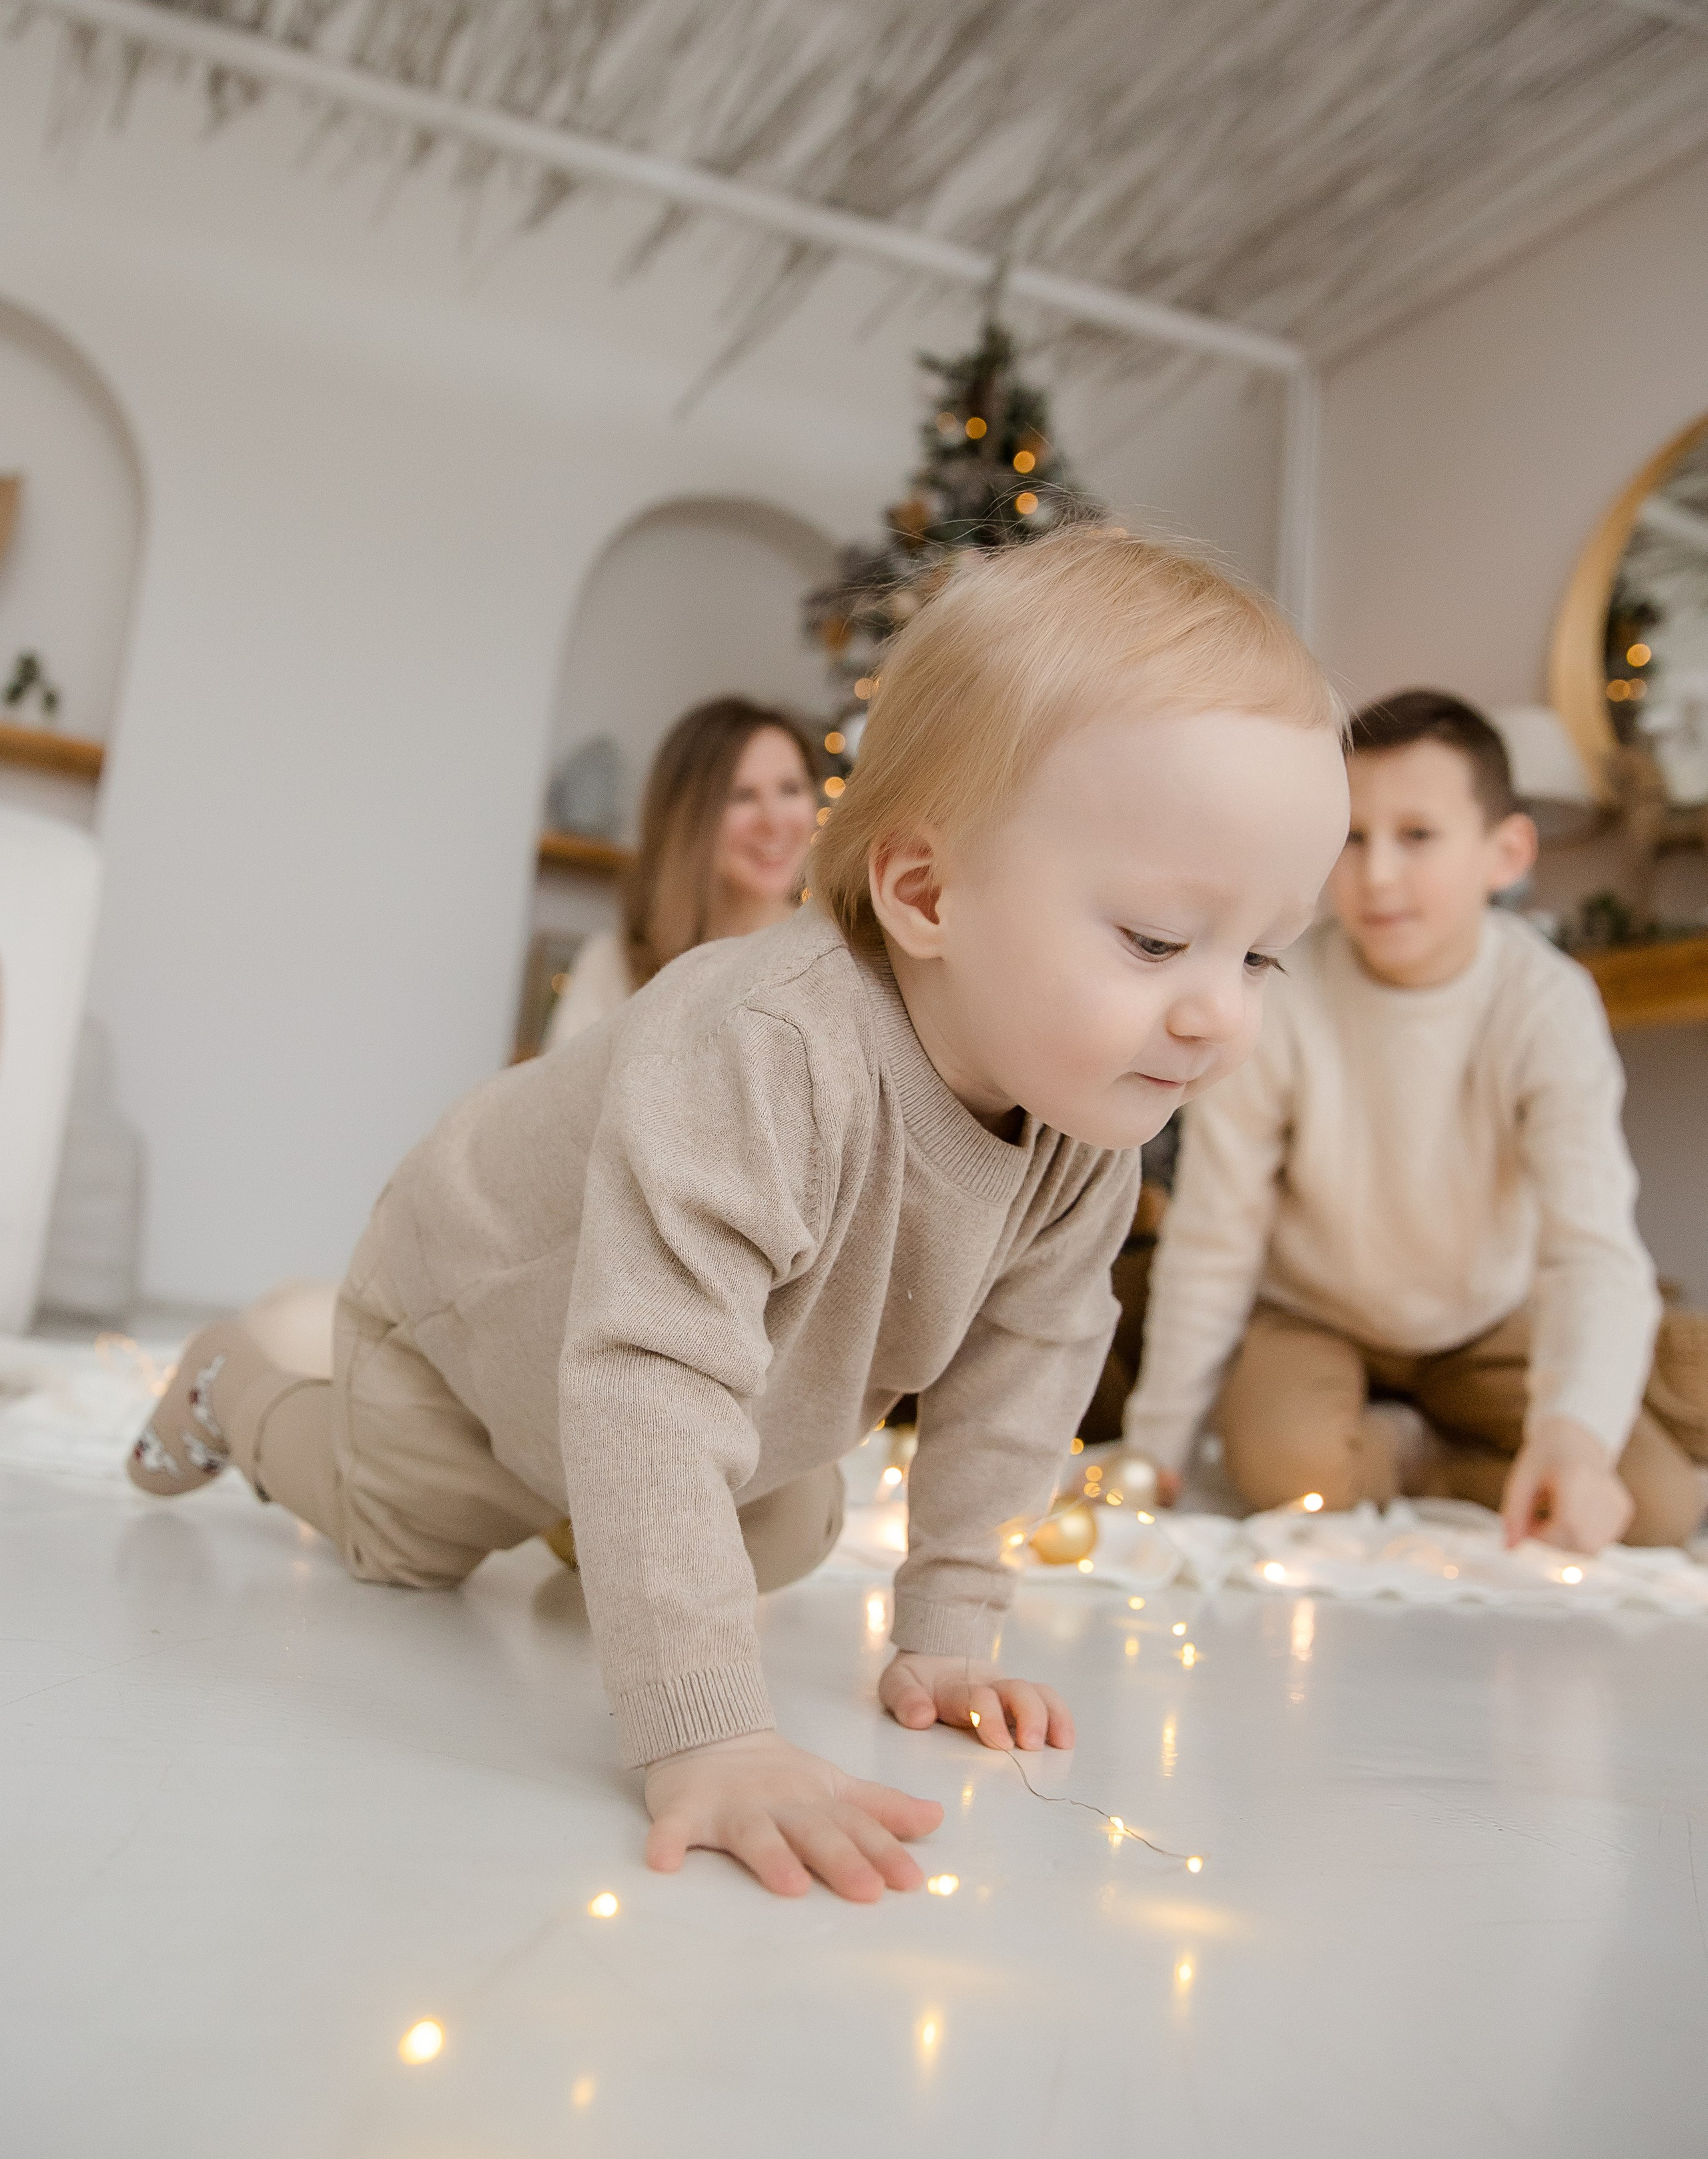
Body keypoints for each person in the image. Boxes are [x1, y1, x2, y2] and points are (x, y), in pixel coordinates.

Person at [125, 531, 1347, 1901]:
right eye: (1154, 940)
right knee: (405, 1537)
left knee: (778, 1534)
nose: (1217, 1014)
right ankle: (242, 1380)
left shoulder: (1082, 1132)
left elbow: (1026, 1371)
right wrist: (707, 1731)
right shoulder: (768, 1043)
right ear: (925, 892)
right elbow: (648, 1372)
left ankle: (608, 1523)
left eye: (1260, 955)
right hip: (478, 1328)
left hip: (697, 1389)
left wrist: (947, 1626)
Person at [1122, 689, 1701, 1553]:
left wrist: (1571, 1440)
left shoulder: (1546, 1001)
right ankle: (1409, 1451)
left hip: (1485, 1319)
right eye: (1353, 838)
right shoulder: (1280, 995)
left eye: (1418, 837)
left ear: (1505, 853)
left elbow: (1593, 1245)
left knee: (1654, 1505)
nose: (1378, 874)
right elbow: (1216, 1229)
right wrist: (1154, 1446)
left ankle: (1421, 1454)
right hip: (1313, 1312)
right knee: (1288, 1475)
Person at [544, 699, 819, 1049]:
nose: (773, 821)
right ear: (687, 816)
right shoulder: (612, 966)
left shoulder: (834, 959)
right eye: (742, 796)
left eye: (791, 790)